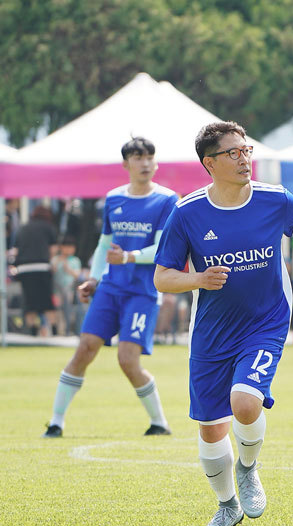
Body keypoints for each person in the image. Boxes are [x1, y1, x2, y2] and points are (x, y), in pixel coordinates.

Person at [154, 121, 293, 526]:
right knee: (211, 428)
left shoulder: (275, 199)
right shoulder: (187, 212)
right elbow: (162, 277)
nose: (245, 158)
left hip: (265, 321)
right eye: (234, 153)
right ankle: (227, 505)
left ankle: (248, 467)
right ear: (210, 163)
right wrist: (198, 279)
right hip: (211, 331)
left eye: (247, 150)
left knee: (246, 402)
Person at [42, 138, 178, 438]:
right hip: (110, 289)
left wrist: (128, 257)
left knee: (127, 359)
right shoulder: (114, 199)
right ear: (125, 164)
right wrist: (94, 278)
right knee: (84, 349)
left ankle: (159, 423)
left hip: (143, 292)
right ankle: (55, 423)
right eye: (137, 157)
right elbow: (106, 243)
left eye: (149, 157)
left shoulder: (167, 200)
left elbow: (164, 250)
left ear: (155, 163)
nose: (144, 163)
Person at [12, 205, 58, 336]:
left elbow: (16, 250)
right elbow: (53, 249)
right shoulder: (48, 227)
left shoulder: (23, 228)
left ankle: (32, 331)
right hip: (42, 267)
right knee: (47, 301)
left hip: (24, 269)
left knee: (29, 302)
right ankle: (54, 330)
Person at [51, 237, 83, 335]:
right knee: (57, 310)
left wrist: (68, 268)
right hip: (56, 289)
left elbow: (77, 275)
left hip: (70, 289)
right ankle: (58, 330)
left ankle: (68, 330)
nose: (68, 250)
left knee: (68, 309)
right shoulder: (55, 259)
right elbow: (51, 272)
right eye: (66, 247)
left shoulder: (75, 260)